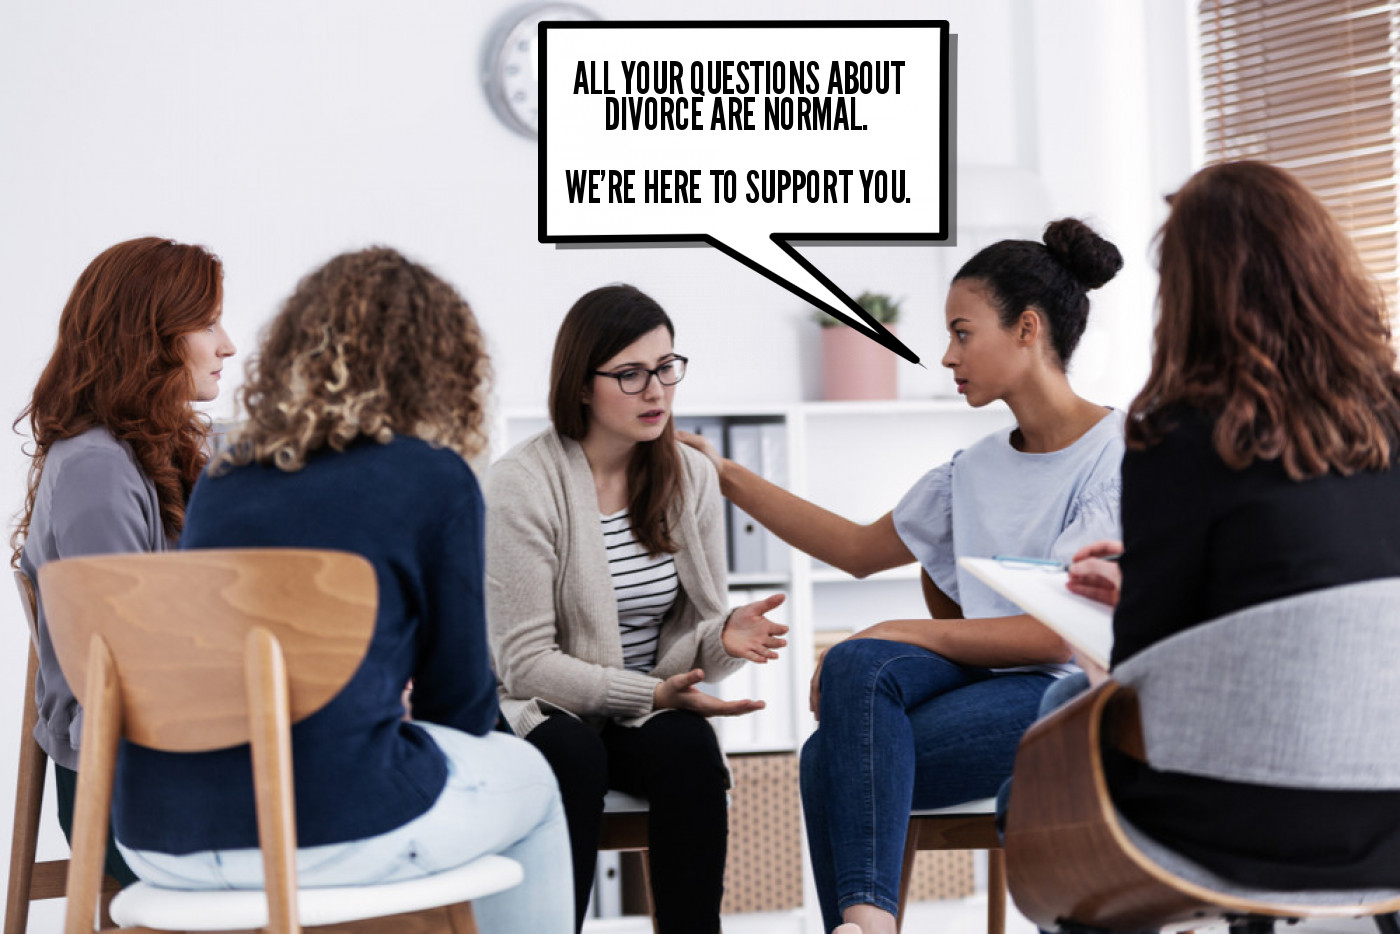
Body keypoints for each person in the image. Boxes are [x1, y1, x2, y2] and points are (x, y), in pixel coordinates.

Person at [681, 219, 1125, 934]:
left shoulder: (1117, 456)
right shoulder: (972, 470)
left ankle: (863, 924)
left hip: (1069, 702)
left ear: (1027, 329)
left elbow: (1052, 640)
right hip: (980, 690)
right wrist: (725, 475)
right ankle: (871, 923)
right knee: (856, 674)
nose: (946, 355)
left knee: (832, 755)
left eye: (962, 332)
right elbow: (856, 549)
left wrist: (900, 628)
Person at [110, 247, 572, 933]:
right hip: (327, 831)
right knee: (531, 779)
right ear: (439, 364)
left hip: (158, 832)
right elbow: (461, 708)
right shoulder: (434, 478)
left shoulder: (225, 474)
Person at [1055, 160, 1400, 889]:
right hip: (1390, 813)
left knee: (1058, 732)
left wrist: (1130, 605)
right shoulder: (1391, 420)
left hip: (1243, 821)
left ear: (1192, 295)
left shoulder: (1180, 440)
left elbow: (1140, 679)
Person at [486, 284, 789, 934]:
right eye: (630, 374)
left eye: (665, 368)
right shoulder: (521, 485)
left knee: (690, 750)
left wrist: (722, 639)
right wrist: (650, 695)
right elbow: (526, 665)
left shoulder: (691, 475)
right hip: (538, 705)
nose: (656, 390)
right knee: (573, 755)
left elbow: (691, 639)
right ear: (581, 386)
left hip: (644, 705)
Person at [12, 236, 235, 887]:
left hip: (158, 772)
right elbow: (133, 669)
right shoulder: (98, 471)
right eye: (208, 322)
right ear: (151, 336)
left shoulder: (142, 455)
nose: (228, 345)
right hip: (130, 798)